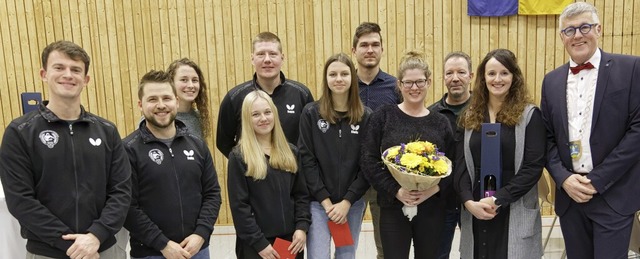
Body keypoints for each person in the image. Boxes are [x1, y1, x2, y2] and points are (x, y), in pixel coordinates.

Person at [0, 40, 132, 259]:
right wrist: (70, 243)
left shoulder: (107, 131)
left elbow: (121, 191)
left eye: (76, 70)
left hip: (102, 249)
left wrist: (95, 236)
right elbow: (20, 199)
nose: (68, 75)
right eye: (59, 67)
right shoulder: (20, 132)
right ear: (44, 74)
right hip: (47, 251)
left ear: (86, 79)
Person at [541, 2, 640, 258]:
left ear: (599, 29)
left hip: (613, 194)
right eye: (569, 30)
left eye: (584, 27)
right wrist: (564, 178)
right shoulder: (551, 81)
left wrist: (597, 180)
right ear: (562, 37)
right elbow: (547, 138)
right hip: (571, 197)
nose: (577, 35)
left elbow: (637, 131)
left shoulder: (631, 69)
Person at [360, 51, 453, 259]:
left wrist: (432, 190)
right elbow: (368, 160)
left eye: (420, 82)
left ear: (428, 82)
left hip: (431, 207)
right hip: (393, 206)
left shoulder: (440, 122)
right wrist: (396, 190)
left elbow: (452, 166)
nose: (414, 88)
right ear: (399, 85)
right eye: (408, 83)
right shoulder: (384, 116)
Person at [454, 48, 545, 259]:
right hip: (476, 209)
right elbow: (460, 165)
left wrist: (498, 199)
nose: (497, 79)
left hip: (513, 207)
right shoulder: (470, 115)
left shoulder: (530, 115)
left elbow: (533, 168)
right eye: (491, 73)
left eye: (504, 73)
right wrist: (468, 201)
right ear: (483, 78)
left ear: (514, 77)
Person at [122, 70, 221, 259]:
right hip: (151, 253)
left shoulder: (197, 145)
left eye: (166, 98)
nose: (161, 105)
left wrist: (201, 234)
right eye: (152, 99)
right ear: (140, 105)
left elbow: (212, 194)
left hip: (197, 249)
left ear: (176, 101)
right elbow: (127, 206)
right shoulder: (127, 150)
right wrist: (163, 244)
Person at [298, 53, 371, 258]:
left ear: (353, 78)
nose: (338, 79)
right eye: (333, 74)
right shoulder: (311, 114)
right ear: (326, 78)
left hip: (351, 206)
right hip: (319, 205)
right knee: (318, 255)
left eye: (344, 74)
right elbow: (307, 160)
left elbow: (367, 164)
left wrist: (347, 202)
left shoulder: (366, 116)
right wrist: (326, 202)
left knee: (345, 255)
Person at [227, 90, 311, 259]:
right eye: (255, 114)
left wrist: (301, 228)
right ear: (247, 119)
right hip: (256, 245)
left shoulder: (291, 152)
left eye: (267, 112)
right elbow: (240, 208)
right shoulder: (239, 157)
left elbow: (301, 195)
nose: (263, 118)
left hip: (290, 242)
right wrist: (260, 244)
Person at [217, 32, 314, 158]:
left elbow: (312, 139)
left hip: (294, 174)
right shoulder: (235, 98)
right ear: (252, 58)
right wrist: (244, 164)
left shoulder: (302, 94)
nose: (267, 60)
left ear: (282, 58)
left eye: (273, 54)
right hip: (253, 174)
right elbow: (223, 142)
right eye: (261, 54)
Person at [351, 22, 400, 259]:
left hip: (385, 177)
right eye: (364, 45)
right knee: (344, 242)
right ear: (354, 50)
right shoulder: (343, 85)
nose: (370, 50)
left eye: (375, 44)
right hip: (350, 178)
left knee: (387, 245)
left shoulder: (395, 87)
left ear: (382, 49)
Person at [428, 51, 473, 259]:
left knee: (477, 253)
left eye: (461, 72)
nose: (455, 78)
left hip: (474, 198)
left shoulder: (484, 111)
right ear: (444, 78)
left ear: (471, 76)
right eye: (449, 73)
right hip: (440, 200)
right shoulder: (431, 115)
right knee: (437, 254)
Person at [166, 58, 212, 139]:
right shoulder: (158, 119)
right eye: (184, 80)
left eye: (194, 80)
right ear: (171, 83)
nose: (191, 85)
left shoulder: (198, 117)